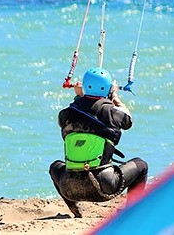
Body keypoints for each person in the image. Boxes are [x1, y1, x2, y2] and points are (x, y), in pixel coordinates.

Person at [49, 67, 148, 218]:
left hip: (69, 187)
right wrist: (114, 96)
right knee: (141, 165)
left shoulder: (65, 114)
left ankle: (75, 210)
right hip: (103, 185)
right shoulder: (112, 112)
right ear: (108, 89)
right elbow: (128, 120)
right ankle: (131, 213)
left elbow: (80, 113)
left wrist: (79, 97)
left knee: (55, 167)